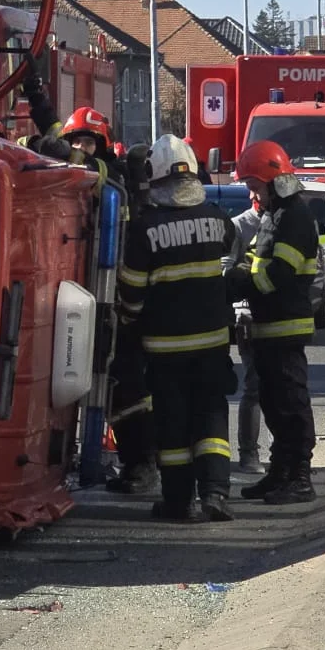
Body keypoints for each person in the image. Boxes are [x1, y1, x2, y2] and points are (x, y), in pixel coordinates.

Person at [116, 136, 236, 521]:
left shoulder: (145, 229)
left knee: (173, 425)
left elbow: (131, 291)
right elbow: (234, 259)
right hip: (214, 342)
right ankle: (216, 493)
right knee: (212, 417)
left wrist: (129, 321)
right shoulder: (218, 219)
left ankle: (179, 502)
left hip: (165, 347)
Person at [228, 139, 320, 504]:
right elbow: (258, 261)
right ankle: (279, 472)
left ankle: (299, 477)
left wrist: (239, 283)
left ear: (273, 180)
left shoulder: (295, 217)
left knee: (291, 405)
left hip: (285, 327)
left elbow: (277, 275)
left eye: (254, 186)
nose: (253, 194)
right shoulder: (274, 216)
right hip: (268, 328)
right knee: (273, 404)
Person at [228, 195, 264, 472]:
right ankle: (249, 454)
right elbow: (226, 271)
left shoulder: (284, 222)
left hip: (277, 315)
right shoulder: (239, 226)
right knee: (255, 386)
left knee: (278, 387)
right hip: (248, 316)